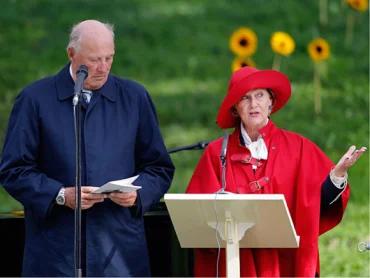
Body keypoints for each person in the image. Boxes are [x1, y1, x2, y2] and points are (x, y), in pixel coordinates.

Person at [0, 20, 174, 277]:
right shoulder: (34, 99)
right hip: (55, 256)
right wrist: (60, 195)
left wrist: (138, 195)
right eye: (94, 60)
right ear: (71, 54)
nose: (103, 68)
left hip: (119, 255)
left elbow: (159, 168)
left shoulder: (135, 97)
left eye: (109, 58)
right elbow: (13, 170)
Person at [185, 66, 366, 277]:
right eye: (245, 98)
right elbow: (196, 218)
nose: (254, 104)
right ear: (235, 108)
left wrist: (337, 176)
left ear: (271, 103)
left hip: (286, 263)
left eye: (259, 95)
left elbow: (317, 204)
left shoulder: (299, 147)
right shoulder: (216, 153)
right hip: (236, 263)